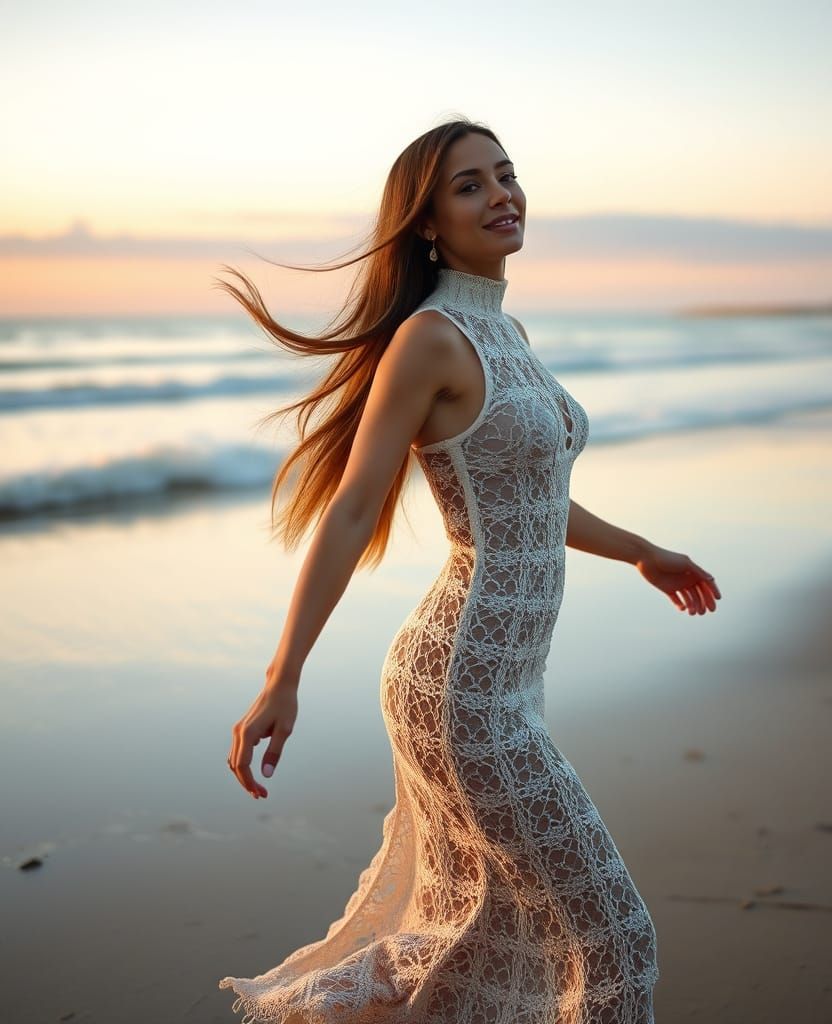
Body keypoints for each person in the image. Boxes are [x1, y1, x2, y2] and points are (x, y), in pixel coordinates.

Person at [218, 117, 721, 1024]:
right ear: (426, 224)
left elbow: (531, 498)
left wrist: (642, 549)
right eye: (470, 186)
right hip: (459, 690)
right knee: (614, 935)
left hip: (509, 683)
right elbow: (355, 507)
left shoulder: (508, 332)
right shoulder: (429, 340)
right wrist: (280, 676)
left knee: (484, 939)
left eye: (507, 175)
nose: (501, 195)